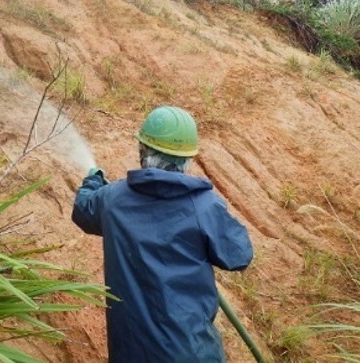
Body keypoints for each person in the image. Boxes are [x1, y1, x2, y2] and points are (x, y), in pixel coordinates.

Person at [72, 105, 254, 363]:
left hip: (130, 353)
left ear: (142, 150)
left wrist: (94, 179)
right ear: (188, 160)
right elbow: (239, 255)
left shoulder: (111, 199)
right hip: (191, 353)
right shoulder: (204, 207)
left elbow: (83, 209)